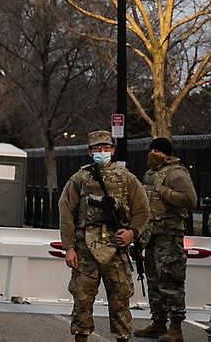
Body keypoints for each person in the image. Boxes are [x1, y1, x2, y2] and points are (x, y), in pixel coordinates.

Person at [58, 130, 150, 342]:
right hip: (85, 250)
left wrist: (131, 233)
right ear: (90, 152)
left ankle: (122, 337)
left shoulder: (127, 179)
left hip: (116, 250)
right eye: (97, 148)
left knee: (120, 301)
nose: (102, 152)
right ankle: (81, 337)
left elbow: (142, 210)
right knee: (82, 300)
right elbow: (66, 211)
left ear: (113, 150)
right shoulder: (79, 179)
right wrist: (69, 247)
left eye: (106, 148)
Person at [135, 137, 197, 341]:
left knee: (171, 282)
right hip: (152, 235)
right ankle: (159, 322)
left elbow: (189, 199)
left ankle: (176, 327)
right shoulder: (150, 174)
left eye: (157, 151)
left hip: (170, 236)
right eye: (151, 149)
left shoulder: (176, 173)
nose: (153, 153)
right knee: (154, 280)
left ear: (166, 154)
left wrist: (163, 190)